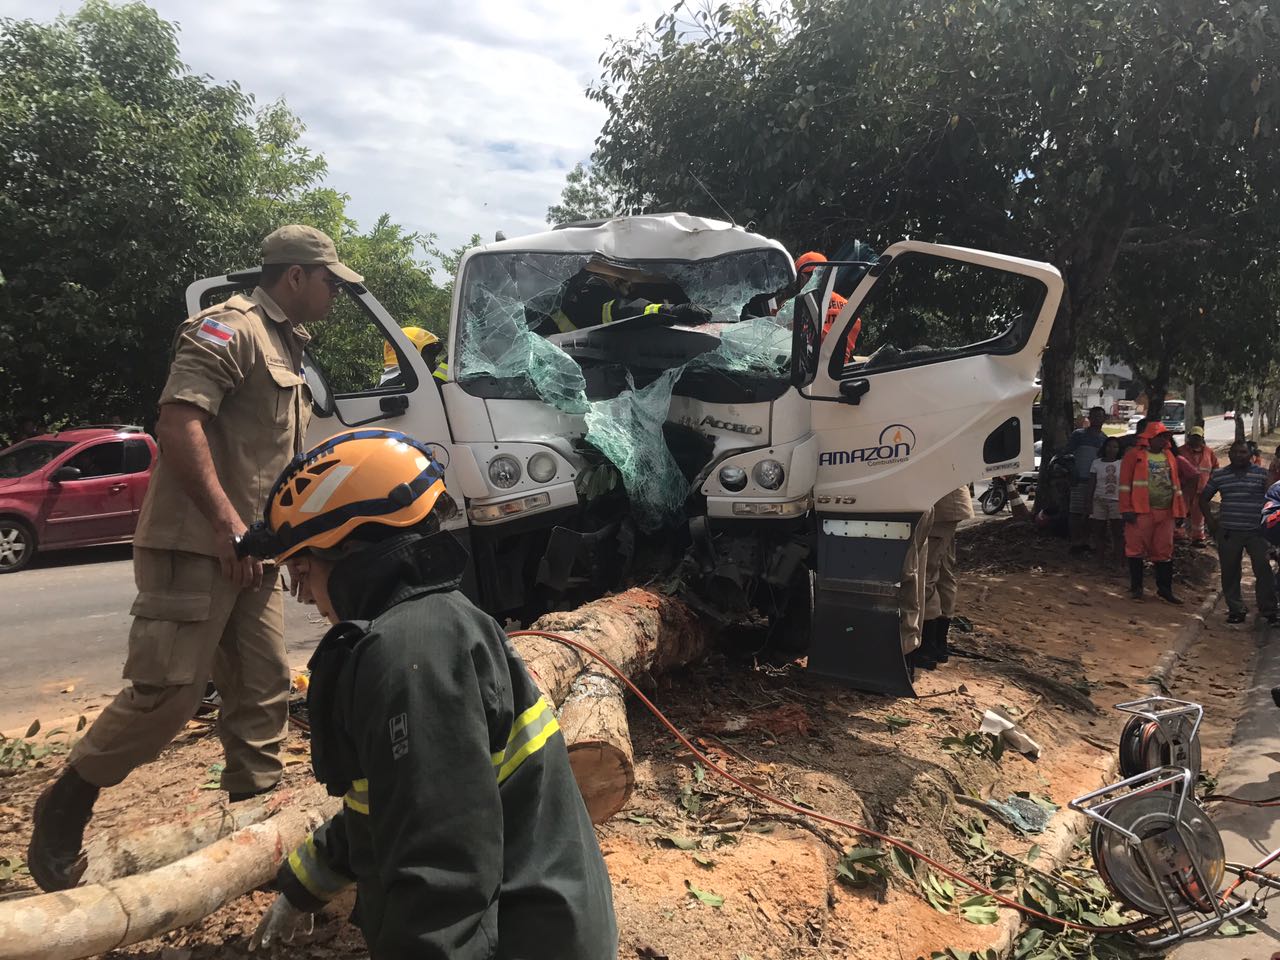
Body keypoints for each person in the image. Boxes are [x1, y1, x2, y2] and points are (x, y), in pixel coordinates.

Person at [27, 225, 359, 892]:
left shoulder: (290, 344)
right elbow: (178, 422)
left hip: (253, 552)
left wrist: (290, 541)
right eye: (332, 281)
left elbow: (279, 462)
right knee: (169, 695)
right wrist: (227, 527)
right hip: (197, 544)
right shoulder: (227, 329)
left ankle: (251, 832)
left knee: (263, 691)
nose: (337, 294)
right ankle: (65, 804)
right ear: (294, 275)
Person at [241, 430, 617, 958]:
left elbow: (441, 876)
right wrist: (307, 881)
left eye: (301, 568)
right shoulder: (427, 627)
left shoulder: (410, 654)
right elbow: (395, 801)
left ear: (350, 548)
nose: (303, 595)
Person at [530, 258, 709, 336]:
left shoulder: (571, 285)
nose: (629, 285)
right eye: (622, 278)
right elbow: (616, 311)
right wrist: (670, 311)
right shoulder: (588, 289)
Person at [1200, 440, 1276, 625]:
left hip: (1257, 533)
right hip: (1229, 532)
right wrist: (1211, 522)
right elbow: (1203, 499)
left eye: (1242, 452)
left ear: (1250, 454)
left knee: (1264, 571)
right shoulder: (1219, 475)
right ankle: (1236, 609)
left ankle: (1269, 610)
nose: (1238, 456)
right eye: (1235, 452)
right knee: (1230, 572)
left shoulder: (1261, 474)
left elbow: (1271, 499)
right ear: (1230, 454)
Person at [1119, 421, 1186, 603]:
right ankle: (1136, 589)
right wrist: (1126, 509)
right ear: (1150, 438)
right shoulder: (1134, 456)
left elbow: (1176, 486)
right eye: (1161, 436)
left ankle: (1164, 590)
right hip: (1140, 511)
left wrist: (1179, 511)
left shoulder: (1169, 456)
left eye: (1166, 436)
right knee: (1135, 550)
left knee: (1164, 551)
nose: (1165, 439)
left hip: (1166, 512)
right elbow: (1124, 484)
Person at [918, 486, 974, 669]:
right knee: (943, 572)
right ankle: (938, 645)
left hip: (941, 507)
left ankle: (926, 648)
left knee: (926, 573)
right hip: (951, 505)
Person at [1065, 407, 1108, 553]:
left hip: (1096, 481)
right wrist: (1072, 473)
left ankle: (1087, 541)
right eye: (1094, 416)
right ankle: (1075, 542)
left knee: (1091, 513)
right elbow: (1068, 455)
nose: (1097, 419)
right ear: (1089, 418)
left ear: (1104, 419)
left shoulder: (1104, 439)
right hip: (1079, 478)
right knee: (1075, 512)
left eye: (1100, 416)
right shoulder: (1078, 435)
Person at [1085, 436, 1124, 559]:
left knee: (1117, 531)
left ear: (1119, 449)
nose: (1111, 449)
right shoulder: (1096, 463)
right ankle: (1100, 556)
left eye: (1115, 447)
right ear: (1104, 447)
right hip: (1099, 500)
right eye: (1109, 446)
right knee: (1098, 531)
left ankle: (1118, 556)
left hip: (1117, 501)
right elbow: (1091, 483)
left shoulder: (1122, 463)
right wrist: (1088, 502)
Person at [1181, 427, 1221, 544]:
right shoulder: (1180, 451)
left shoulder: (1209, 452)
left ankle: (1198, 537)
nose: (1195, 440)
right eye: (1193, 437)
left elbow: (1215, 468)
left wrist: (1212, 485)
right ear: (1189, 437)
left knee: (1199, 516)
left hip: (1202, 490)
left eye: (1198, 438)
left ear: (1202, 439)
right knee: (1181, 513)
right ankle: (1179, 536)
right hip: (1185, 490)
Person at [379, 325, 447, 387]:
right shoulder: (395, 385)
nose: (433, 361)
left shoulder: (390, 383)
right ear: (409, 353)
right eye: (428, 353)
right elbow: (432, 387)